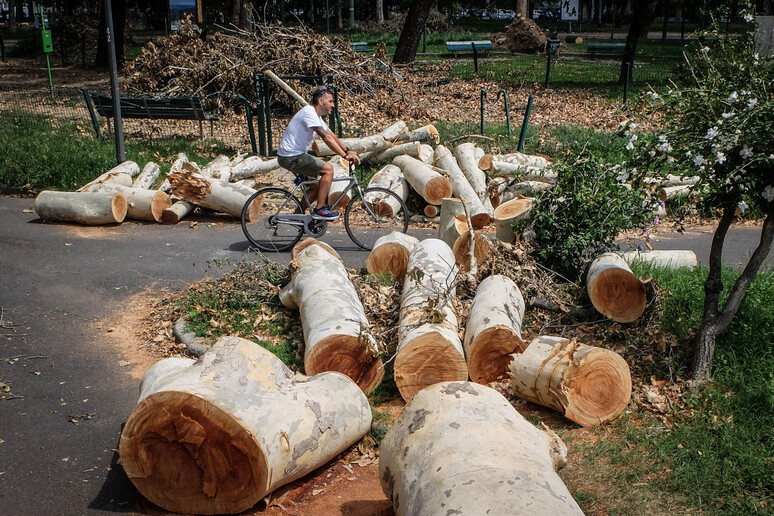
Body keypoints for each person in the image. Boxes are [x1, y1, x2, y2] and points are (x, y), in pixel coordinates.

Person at [277, 86, 360, 220]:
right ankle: (320, 208)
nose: (333, 105)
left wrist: (347, 151)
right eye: (331, 101)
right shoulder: (309, 112)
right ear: (321, 101)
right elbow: (325, 138)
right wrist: (344, 156)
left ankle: (297, 216)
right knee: (328, 170)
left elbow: (331, 135)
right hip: (291, 156)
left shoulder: (317, 117)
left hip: (294, 156)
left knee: (316, 187)